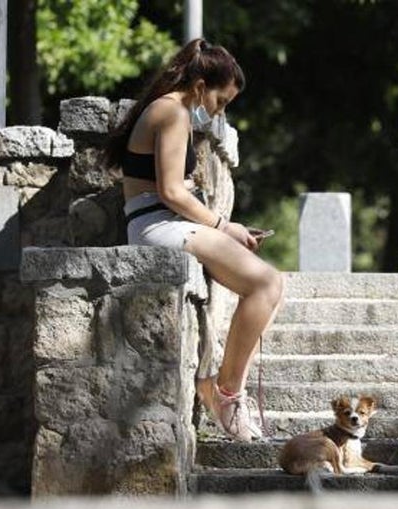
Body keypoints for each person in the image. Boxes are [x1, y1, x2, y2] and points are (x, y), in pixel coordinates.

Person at [106, 38, 283, 442]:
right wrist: (225, 225)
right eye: (221, 100)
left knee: (275, 287)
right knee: (266, 283)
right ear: (201, 85)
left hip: (163, 223)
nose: (220, 111)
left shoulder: (173, 110)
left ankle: (222, 389)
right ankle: (225, 394)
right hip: (157, 227)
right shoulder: (172, 112)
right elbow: (171, 191)